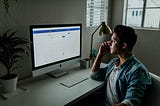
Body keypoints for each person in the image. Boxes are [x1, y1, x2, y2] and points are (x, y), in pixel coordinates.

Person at [90, 25, 152, 106]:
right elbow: (95, 75)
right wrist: (100, 54)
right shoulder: (114, 62)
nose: (109, 43)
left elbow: (130, 103)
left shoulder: (138, 71)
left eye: (113, 40)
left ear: (123, 45)